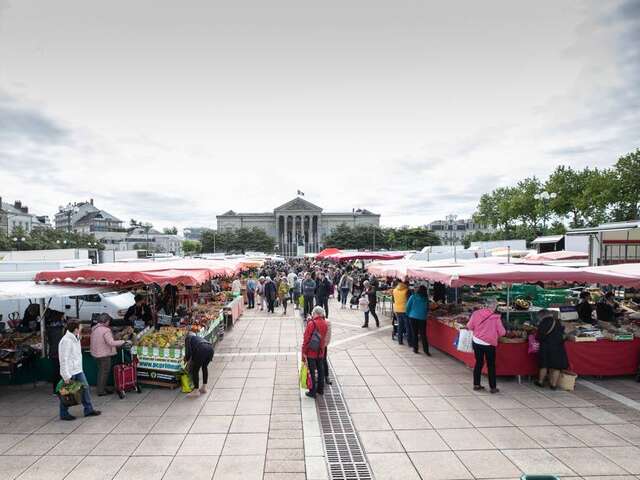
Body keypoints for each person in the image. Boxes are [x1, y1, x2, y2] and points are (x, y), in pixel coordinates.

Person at [58, 321, 101, 420]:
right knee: (67, 393)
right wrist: (66, 375)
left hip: (78, 370)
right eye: (80, 328)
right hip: (70, 372)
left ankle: (88, 410)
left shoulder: (75, 338)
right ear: (76, 329)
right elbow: (63, 359)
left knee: (85, 388)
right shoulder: (66, 341)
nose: (82, 329)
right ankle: (63, 413)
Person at [466, 300, 506, 393]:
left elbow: (469, 326)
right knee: (491, 365)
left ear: (486, 305)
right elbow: (502, 332)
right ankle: (493, 387)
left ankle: (476, 384)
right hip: (489, 344)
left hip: (477, 341)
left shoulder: (476, 313)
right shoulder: (496, 317)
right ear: (495, 307)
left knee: (479, 363)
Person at [90, 314, 126, 396]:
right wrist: (123, 342)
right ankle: (101, 391)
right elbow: (111, 343)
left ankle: (101, 387)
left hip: (96, 354)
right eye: (109, 321)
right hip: (104, 354)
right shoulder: (106, 330)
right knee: (104, 372)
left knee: (101, 371)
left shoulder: (94, 328)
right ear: (106, 321)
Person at [534, 310, 569, 390]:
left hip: (546, 347)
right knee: (556, 366)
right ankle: (553, 385)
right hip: (558, 346)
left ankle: (540, 382)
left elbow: (539, 337)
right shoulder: (557, 322)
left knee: (544, 365)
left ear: (541, 316)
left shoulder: (543, 323)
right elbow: (562, 334)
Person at [301, 306, 328, 398]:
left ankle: (312, 392)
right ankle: (320, 389)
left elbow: (306, 339)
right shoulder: (325, 323)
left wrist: (303, 352)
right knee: (321, 370)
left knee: (312, 371)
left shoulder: (311, 324)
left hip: (311, 352)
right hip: (320, 351)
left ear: (315, 313)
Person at [184, 332, 215, 397]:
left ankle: (196, 390)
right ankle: (204, 387)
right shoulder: (198, 338)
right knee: (204, 367)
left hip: (201, 349)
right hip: (210, 348)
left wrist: (186, 361)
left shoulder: (188, 338)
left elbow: (188, 352)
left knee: (195, 370)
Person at [45, 310, 65, 394]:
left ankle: (56, 390)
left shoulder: (50, 328)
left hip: (53, 352)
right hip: (59, 352)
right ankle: (59, 389)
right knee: (60, 372)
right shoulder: (59, 329)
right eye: (62, 316)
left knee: (56, 371)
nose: (64, 318)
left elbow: (50, 341)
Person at [406, 284, 430, 354]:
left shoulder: (413, 297)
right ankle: (426, 351)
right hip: (422, 318)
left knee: (414, 334)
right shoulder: (426, 298)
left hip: (413, 317)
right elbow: (427, 308)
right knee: (423, 335)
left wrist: (408, 314)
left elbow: (407, 307)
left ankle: (415, 349)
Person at [393, 279, 412, 346]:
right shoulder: (407, 290)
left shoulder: (395, 290)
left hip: (397, 310)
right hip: (405, 310)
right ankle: (410, 342)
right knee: (408, 326)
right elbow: (410, 301)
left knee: (400, 325)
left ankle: (400, 340)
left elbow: (394, 300)